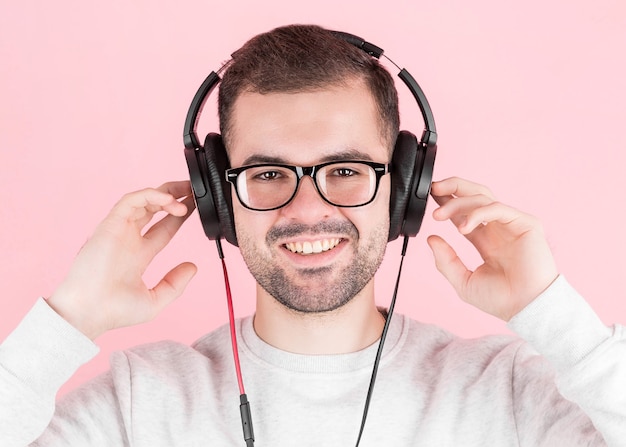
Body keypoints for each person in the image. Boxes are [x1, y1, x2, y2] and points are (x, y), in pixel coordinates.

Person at [0, 24, 624, 447]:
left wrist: (554, 313)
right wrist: (69, 317)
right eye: (268, 173)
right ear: (218, 197)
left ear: (404, 187)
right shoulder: (140, 404)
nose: (306, 209)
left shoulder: (506, 390)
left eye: (346, 171)